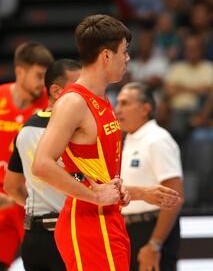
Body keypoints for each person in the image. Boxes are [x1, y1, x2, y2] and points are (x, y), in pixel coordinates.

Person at [31, 14, 179, 271]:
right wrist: (93, 195)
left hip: (108, 218)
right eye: (125, 51)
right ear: (107, 56)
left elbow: (95, 175)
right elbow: (41, 165)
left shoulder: (103, 100)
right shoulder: (73, 102)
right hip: (88, 223)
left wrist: (140, 192)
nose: (128, 58)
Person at [4, 59, 81, 270]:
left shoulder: (25, 128)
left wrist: (39, 205)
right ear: (56, 91)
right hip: (70, 234)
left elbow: (11, 186)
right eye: (78, 88)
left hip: (35, 236)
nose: (84, 95)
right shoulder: (78, 129)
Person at [116, 82, 184, 271]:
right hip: (126, 230)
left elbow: (175, 197)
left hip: (151, 229)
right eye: (118, 103)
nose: (117, 109)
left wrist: (154, 244)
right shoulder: (126, 139)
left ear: (145, 108)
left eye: (124, 103)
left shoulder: (158, 139)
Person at [0, 42, 54, 270]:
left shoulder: (49, 103)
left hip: (31, 202)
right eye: (39, 76)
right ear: (20, 71)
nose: (43, 84)